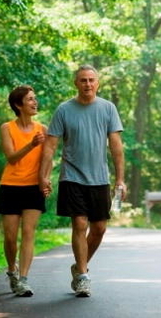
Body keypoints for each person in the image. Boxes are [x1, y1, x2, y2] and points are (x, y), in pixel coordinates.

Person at [39, 64, 127, 298]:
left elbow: (116, 147)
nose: (87, 84)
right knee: (79, 223)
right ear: (75, 83)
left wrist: (120, 180)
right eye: (83, 80)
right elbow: (50, 146)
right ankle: (84, 276)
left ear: (98, 83)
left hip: (99, 178)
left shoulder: (108, 108)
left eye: (91, 80)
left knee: (99, 228)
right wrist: (44, 175)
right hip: (72, 176)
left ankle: (79, 267)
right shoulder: (64, 110)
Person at [0, 85, 47, 297]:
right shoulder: (7, 127)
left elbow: (48, 158)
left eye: (35, 99)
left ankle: (24, 280)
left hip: (33, 188)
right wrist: (31, 145)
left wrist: (44, 179)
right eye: (30, 99)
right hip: (11, 186)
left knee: (28, 233)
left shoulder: (43, 129)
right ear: (18, 105)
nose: (35, 102)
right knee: (10, 237)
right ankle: (12, 270)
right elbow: (11, 157)